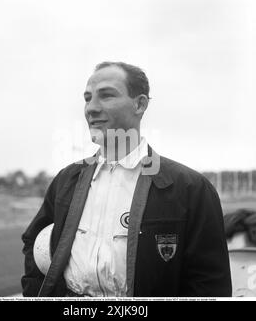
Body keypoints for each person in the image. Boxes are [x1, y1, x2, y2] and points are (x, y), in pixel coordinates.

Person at [21, 61, 232, 297]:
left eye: (106, 96)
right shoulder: (66, 180)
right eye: (87, 98)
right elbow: (34, 246)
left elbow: (210, 284)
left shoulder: (191, 189)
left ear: (140, 104)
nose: (91, 108)